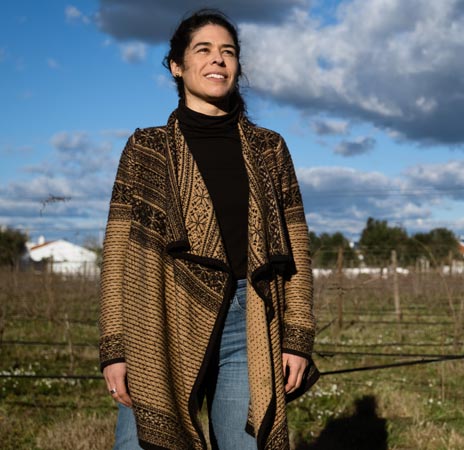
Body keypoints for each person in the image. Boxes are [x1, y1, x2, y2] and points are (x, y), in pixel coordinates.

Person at [98, 9, 317, 450]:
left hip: (249, 318)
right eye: (204, 50)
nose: (218, 60)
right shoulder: (148, 148)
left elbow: (296, 246)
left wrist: (297, 337)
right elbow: (118, 250)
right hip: (159, 316)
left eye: (228, 52)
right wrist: (115, 347)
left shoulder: (269, 148)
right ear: (177, 66)